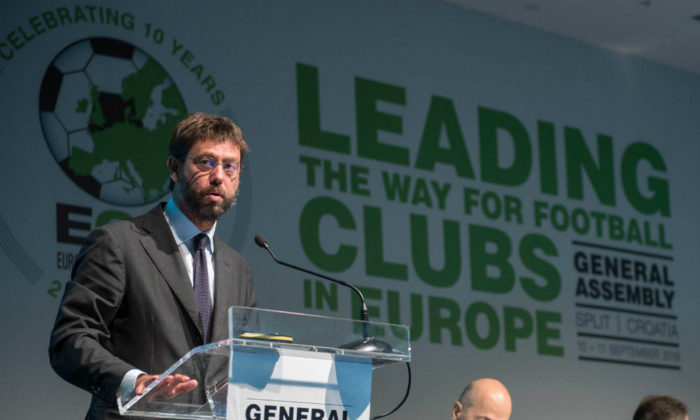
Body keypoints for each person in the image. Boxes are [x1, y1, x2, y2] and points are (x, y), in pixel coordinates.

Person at [49, 112, 257, 419]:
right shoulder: (118, 244)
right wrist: (134, 382)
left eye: (230, 166)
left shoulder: (238, 269)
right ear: (174, 168)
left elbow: (244, 360)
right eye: (206, 162)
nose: (218, 176)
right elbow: (70, 340)